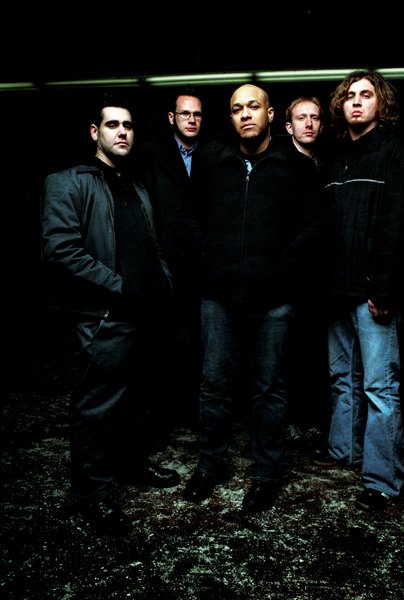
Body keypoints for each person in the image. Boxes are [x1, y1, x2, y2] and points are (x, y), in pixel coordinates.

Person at [182, 84, 326, 513]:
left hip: (274, 299)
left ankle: (267, 473)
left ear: (270, 113)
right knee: (214, 385)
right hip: (219, 295)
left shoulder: (295, 166)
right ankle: (211, 464)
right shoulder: (213, 160)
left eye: (253, 107)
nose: (245, 114)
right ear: (230, 118)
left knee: (270, 388)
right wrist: (209, 259)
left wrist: (280, 267)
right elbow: (189, 216)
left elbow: (316, 226)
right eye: (236, 109)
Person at [41, 92, 181, 536]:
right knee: (97, 406)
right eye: (113, 125)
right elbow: (61, 249)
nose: (123, 132)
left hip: (144, 313)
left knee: (135, 399)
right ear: (94, 132)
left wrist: (163, 281)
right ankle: (92, 494)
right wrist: (119, 285)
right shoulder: (68, 182)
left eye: (128, 125)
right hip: (103, 315)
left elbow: (151, 246)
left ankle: (132, 465)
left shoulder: (136, 186)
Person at [317, 70, 404, 510]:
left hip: (373, 291)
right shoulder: (336, 158)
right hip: (336, 290)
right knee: (342, 379)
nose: (356, 102)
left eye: (365, 95)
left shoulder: (392, 153)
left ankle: (382, 479)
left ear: (380, 104)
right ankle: (344, 453)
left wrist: (385, 289)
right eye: (349, 95)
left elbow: (397, 225)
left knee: (379, 387)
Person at [137, 86, 204, 434]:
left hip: (200, 265)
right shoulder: (150, 154)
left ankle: (193, 413)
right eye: (184, 114)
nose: (191, 120)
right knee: (159, 343)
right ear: (171, 117)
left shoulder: (213, 153)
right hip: (162, 262)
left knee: (197, 343)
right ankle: (159, 418)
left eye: (197, 114)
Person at [284, 95, 330, 450]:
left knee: (315, 352)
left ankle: (312, 422)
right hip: (288, 277)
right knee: (286, 353)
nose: (309, 123)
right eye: (301, 118)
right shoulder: (280, 165)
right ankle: (287, 423)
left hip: (321, 278)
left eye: (314, 117)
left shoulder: (330, 166)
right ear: (289, 126)